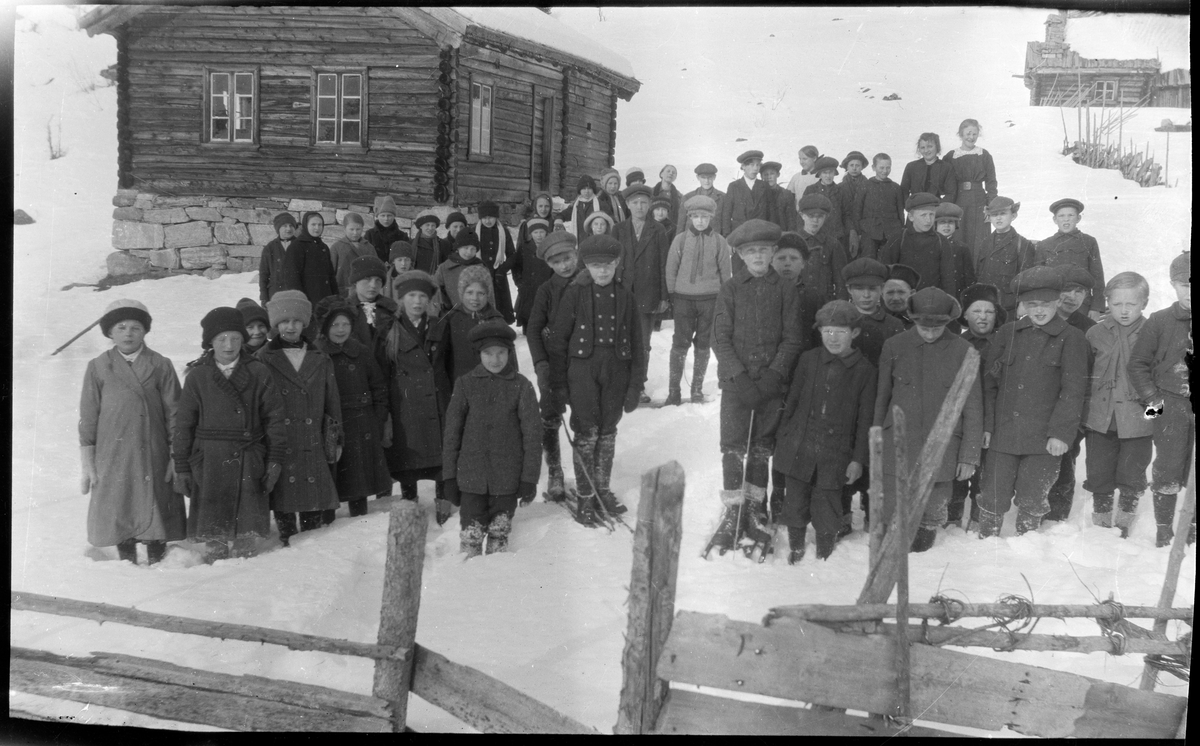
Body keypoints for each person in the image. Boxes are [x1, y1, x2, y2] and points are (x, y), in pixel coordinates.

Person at [707, 220, 803, 558]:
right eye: (751, 251)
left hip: (771, 386)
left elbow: (792, 338)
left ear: (773, 252)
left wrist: (772, 377)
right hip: (737, 385)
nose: (758, 256)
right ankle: (734, 509)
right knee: (733, 447)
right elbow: (719, 338)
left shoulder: (786, 290)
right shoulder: (730, 289)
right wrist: (740, 378)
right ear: (741, 255)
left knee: (762, 447)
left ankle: (755, 507)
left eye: (763, 250)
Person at [978, 266, 1088, 538]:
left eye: (1047, 304)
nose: (1039, 311)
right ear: (1022, 304)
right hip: (1003, 433)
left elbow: (1073, 391)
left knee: (1033, 498)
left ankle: (1026, 546)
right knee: (993, 494)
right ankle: (984, 546)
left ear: (1057, 302)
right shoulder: (1008, 333)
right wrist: (988, 427)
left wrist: (1061, 434)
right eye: (1031, 304)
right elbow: (989, 385)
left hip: (1044, 439)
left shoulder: (1072, 338)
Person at [548, 235, 648, 521]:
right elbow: (558, 342)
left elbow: (637, 346)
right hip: (582, 371)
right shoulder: (575, 294)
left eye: (608, 265)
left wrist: (634, 385)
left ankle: (602, 488)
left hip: (615, 370)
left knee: (607, 432)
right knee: (586, 432)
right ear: (586, 266)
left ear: (617, 264)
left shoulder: (626, 296)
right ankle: (585, 495)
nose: (602, 272)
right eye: (595, 266)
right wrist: (558, 385)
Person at [173, 307, 286, 561]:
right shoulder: (197, 376)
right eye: (221, 338)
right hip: (210, 460)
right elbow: (184, 425)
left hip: (249, 459)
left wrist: (275, 458)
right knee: (214, 529)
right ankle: (216, 561)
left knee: (246, 532)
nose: (229, 345)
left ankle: (245, 568)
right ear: (210, 342)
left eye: (235, 338)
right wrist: (181, 465)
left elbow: (275, 419)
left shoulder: (258, 372)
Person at [876, 287, 983, 552]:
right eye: (924, 327)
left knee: (932, 511)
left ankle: (924, 551)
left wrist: (968, 456)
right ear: (912, 319)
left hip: (943, 445)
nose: (931, 332)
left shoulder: (964, 350)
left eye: (938, 327)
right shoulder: (894, 345)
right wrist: (876, 440)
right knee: (894, 509)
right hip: (898, 441)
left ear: (949, 321)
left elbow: (973, 406)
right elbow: (882, 397)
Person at [79, 300, 184, 566]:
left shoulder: (161, 364)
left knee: (155, 504)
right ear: (110, 333)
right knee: (120, 502)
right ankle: (126, 562)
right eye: (121, 327)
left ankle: (157, 558)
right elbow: (89, 415)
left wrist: (175, 455)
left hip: (154, 449)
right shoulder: (98, 366)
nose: (128, 333)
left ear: (145, 332)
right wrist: (88, 459)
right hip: (112, 452)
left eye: (136, 328)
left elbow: (175, 414)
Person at [774, 300, 876, 563]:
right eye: (827, 331)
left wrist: (857, 459)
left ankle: (824, 553)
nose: (833, 338)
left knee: (827, 504)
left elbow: (865, 421)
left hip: (836, 453)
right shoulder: (808, 360)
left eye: (841, 332)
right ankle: (796, 548)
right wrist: (785, 438)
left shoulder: (864, 371)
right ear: (819, 332)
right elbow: (792, 402)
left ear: (854, 333)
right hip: (800, 445)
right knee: (795, 500)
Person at [442, 322, 541, 556]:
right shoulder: (465, 384)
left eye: (501, 353)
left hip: (506, 480)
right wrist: (449, 477)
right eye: (488, 353)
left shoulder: (522, 386)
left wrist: (529, 479)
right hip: (471, 479)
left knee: (500, 532)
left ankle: (496, 579)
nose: (495, 360)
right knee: (470, 535)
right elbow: (452, 434)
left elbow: (533, 436)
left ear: (509, 353)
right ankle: (470, 577)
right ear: (479, 354)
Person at [256, 290, 342, 543]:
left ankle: (308, 548)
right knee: (284, 501)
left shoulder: (320, 358)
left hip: (311, 442)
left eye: (295, 321)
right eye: (284, 321)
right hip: (281, 443)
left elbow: (332, 402)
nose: (290, 326)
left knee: (311, 511)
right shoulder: (263, 358)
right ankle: (286, 540)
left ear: (304, 323)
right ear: (275, 324)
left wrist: (336, 438)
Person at [1128, 251, 1194, 547]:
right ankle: (1164, 532)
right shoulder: (1159, 321)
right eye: (1184, 284)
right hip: (1169, 407)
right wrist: (1153, 401)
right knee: (1167, 468)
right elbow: (1138, 364)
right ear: (1172, 284)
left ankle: (1191, 534)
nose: (1189, 291)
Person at [837, 257, 905, 536]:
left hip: (878, 403)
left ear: (881, 291)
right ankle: (840, 514)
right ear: (848, 290)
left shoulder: (893, 326)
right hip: (843, 402)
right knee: (841, 454)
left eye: (873, 289)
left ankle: (871, 512)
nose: (866, 295)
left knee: (875, 455)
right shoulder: (835, 319)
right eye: (859, 288)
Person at [1083, 272, 1152, 537]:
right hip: (1101, 417)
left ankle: (1124, 523)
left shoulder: (1153, 333)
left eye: (1131, 304)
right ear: (1107, 303)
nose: (1124, 311)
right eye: (1116, 304)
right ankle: (1101, 526)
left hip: (1137, 419)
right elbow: (1086, 375)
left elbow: (1159, 379)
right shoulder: (1095, 333)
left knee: (1132, 474)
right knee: (1099, 472)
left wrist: (1154, 417)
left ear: (1144, 303)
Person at [313, 297, 391, 518]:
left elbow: (378, 387)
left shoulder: (361, 351)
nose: (340, 330)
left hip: (362, 422)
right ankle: (328, 522)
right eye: (335, 325)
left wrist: (377, 418)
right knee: (333, 474)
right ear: (325, 327)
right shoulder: (317, 354)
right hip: (332, 425)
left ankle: (360, 517)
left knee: (359, 479)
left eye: (345, 324)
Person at [384, 270, 453, 517]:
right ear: (401, 299)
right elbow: (383, 373)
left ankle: (443, 508)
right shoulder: (389, 330)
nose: (417, 301)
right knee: (407, 462)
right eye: (411, 295)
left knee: (442, 460)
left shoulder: (440, 326)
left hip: (437, 402)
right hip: (405, 406)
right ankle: (409, 508)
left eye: (422, 296)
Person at [946, 283, 1006, 530]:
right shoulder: (956, 345)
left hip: (995, 418)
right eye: (976, 311)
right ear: (966, 315)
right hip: (963, 420)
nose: (983, 317)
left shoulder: (1004, 344)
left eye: (989, 312)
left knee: (985, 473)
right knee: (959, 469)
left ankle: (978, 518)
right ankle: (952, 516)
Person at [528, 231, 581, 502]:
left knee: (585, 418)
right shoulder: (546, 291)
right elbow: (534, 329)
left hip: (584, 365)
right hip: (555, 365)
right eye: (558, 261)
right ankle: (555, 471)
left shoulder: (589, 284)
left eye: (568, 258)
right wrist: (540, 364)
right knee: (549, 418)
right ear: (550, 264)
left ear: (576, 255)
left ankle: (585, 473)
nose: (565, 265)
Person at [664, 194, 732, 405]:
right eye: (696, 216)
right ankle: (674, 390)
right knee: (680, 342)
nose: (700, 221)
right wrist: (673, 292)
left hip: (709, 300)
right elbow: (671, 268)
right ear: (690, 217)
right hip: (684, 299)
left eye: (704, 216)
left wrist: (722, 298)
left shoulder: (720, 241)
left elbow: (725, 272)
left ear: (711, 217)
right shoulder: (681, 239)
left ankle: (696, 389)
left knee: (703, 343)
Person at [612, 183, 670, 403]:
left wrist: (664, 296)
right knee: (620, 341)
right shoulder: (618, 229)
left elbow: (663, 263)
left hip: (648, 294)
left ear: (650, 205)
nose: (639, 206)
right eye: (635, 203)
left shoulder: (658, 230)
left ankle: (639, 386)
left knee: (643, 343)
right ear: (627, 204)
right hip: (621, 294)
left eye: (644, 203)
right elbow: (612, 261)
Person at [1034, 198, 1106, 319]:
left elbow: (1097, 277)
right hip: (1054, 304)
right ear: (1055, 220)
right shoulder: (1044, 245)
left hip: (1081, 305)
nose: (1066, 219)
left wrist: (1096, 307)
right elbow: (1039, 280)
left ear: (1078, 218)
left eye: (1070, 215)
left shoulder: (1089, 242)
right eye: (1061, 216)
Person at [880, 192, 961, 299]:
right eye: (923, 215)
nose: (928, 220)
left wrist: (948, 304)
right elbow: (885, 274)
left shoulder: (941, 241)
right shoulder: (899, 239)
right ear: (911, 217)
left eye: (931, 214)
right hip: (902, 301)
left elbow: (948, 279)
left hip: (931, 301)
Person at [436, 264, 507, 385]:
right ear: (461, 292)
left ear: (488, 294)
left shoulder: (497, 321)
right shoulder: (450, 320)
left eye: (481, 293)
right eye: (469, 292)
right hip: (459, 389)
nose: (475, 298)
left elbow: (509, 364)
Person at [974, 196, 1035, 321]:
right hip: (987, 306)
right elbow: (979, 274)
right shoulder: (985, 243)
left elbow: (1026, 280)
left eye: (1003, 214)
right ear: (989, 217)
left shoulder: (1022, 244)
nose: (998, 218)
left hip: (1009, 308)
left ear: (1013, 216)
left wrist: (1023, 304)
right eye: (994, 214)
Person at [945, 118, 997, 262]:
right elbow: (941, 177)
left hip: (979, 202)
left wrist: (990, 207)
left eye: (974, 134)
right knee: (958, 238)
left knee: (979, 241)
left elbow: (991, 183)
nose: (971, 137)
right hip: (958, 201)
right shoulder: (951, 156)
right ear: (960, 134)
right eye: (968, 133)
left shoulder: (984, 155)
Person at [282, 211, 338, 339]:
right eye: (313, 224)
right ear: (306, 225)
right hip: (308, 303)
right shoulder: (297, 247)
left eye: (320, 224)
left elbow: (330, 276)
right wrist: (302, 303)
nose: (317, 228)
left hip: (325, 302)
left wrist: (335, 299)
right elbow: (292, 279)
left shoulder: (323, 247)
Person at [342, 256, 398, 368]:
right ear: (355, 282)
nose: (373, 285)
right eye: (367, 279)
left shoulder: (391, 310)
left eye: (378, 280)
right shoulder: (342, 311)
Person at [794, 194, 849, 306]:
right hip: (797, 304)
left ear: (826, 217)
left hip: (824, 305)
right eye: (811, 216)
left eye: (820, 216)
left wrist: (840, 306)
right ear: (802, 215)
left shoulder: (832, 244)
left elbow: (841, 281)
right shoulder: (793, 242)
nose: (815, 220)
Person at [854, 153, 905, 260]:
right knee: (868, 260)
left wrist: (899, 229)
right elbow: (857, 210)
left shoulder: (896, 188)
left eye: (888, 167)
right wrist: (859, 231)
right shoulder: (865, 186)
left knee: (889, 260)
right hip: (869, 231)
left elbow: (900, 212)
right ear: (874, 168)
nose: (885, 171)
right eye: (881, 167)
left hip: (891, 231)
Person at [474, 200, 516, 324]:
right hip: (480, 274)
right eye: (485, 218)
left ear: (496, 217)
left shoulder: (503, 232)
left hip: (498, 276)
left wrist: (502, 270)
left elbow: (512, 255)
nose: (488, 221)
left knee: (500, 307)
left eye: (491, 217)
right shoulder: (474, 232)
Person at [718, 150, 772, 239]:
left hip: (760, 234)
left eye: (758, 165)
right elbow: (726, 214)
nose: (755, 168)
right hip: (740, 234)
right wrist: (727, 236)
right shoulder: (734, 186)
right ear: (743, 166)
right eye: (751, 165)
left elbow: (771, 213)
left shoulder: (764, 186)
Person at [511, 216, 553, 331]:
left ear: (546, 232)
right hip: (528, 287)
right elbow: (516, 267)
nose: (539, 235)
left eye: (541, 232)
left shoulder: (551, 247)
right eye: (535, 232)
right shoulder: (525, 247)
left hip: (546, 285)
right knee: (528, 309)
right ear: (531, 233)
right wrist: (519, 282)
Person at [802, 156, 853, 246]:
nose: (828, 176)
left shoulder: (841, 191)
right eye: (825, 173)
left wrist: (850, 234)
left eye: (831, 172)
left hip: (837, 235)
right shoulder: (811, 190)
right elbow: (803, 213)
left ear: (834, 174)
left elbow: (847, 214)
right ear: (820, 174)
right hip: (815, 235)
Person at [433, 230, 485, 313]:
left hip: (476, 316)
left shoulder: (481, 268)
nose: (469, 252)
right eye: (466, 248)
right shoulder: (444, 268)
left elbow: (488, 295)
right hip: (450, 316)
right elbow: (435, 292)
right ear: (458, 248)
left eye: (473, 249)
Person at [899, 132, 957, 205]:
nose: (926, 150)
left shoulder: (946, 168)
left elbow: (951, 194)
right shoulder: (911, 167)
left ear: (937, 147)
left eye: (930, 146)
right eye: (922, 147)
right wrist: (911, 206)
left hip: (938, 211)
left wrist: (938, 207)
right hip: (916, 209)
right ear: (919, 149)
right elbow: (904, 191)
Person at [934, 202, 978, 296]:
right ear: (935, 225)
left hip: (956, 294)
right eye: (942, 222)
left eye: (950, 222)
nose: (946, 226)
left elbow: (969, 277)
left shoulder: (962, 248)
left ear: (956, 225)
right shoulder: (929, 246)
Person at [330, 212, 375, 295]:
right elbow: (331, 272)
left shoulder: (369, 248)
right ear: (344, 229)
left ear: (362, 229)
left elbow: (375, 271)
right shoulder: (337, 247)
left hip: (364, 292)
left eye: (358, 229)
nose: (355, 233)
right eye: (351, 229)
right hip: (342, 292)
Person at [677, 162, 725, 236]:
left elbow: (725, 223)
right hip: (691, 240)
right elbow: (681, 224)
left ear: (714, 177)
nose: (707, 181)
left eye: (710, 177)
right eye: (703, 177)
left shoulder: (722, 197)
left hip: (713, 240)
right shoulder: (688, 197)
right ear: (698, 177)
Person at [260, 212, 297, 304]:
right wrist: (264, 297)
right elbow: (264, 274)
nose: (288, 229)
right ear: (278, 228)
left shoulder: (301, 246)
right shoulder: (270, 248)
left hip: (296, 294)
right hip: (275, 294)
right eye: (284, 226)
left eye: (291, 225)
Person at [839, 151, 870, 256]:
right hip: (845, 229)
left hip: (864, 229)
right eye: (851, 165)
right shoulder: (840, 187)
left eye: (857, 165)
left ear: (862, 167)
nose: (854, 168)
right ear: (846, 167)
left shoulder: (869, 185)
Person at [365, 196, 408, 264]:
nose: (386, 219)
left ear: (394, 216)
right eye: (383, 215)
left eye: (389, 215)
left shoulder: (402, 236)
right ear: (377, 216)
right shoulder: (369, 235)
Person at [760, 160, 797, 233]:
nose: (769, 177)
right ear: (761, 176)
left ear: (778, 174)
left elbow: (791, 219)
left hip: (782, 233)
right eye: (765, 174)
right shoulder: (759, 194)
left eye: (772, 174)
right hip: (763, 234)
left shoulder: (786, 194)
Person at [883, 264, 921, 328]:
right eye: (890, 292)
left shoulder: (921, 324)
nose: (895, 298)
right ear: (882, 294)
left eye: (901, 292)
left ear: (912, 293)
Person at [785, 145, 820, 209]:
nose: (801, 162)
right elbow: (789, 198)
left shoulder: (820, 177)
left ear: (814, 158)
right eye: (800, 159)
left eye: (804, 159)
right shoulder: (796, 177)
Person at [652, 164, 683, 230]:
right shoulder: (651, 192)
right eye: (668, 171)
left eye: (674, 173)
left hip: (670, 230)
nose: (671, 173)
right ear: (661, 174)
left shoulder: (679, 196)